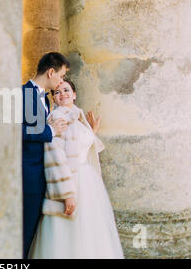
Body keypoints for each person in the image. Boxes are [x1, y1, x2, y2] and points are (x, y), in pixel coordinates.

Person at [28, 78, 124, 259]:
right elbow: (56, 158)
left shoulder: (77, 117)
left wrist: (91, 132)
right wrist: (67, 194)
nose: (62, 94)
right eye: (57, 92)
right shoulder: (58, 118)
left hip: (87, 181)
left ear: (74, 94)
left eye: (66, 90)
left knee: (89, 232)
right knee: (68, 233)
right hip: (71, 180)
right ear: (54, 99)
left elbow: (79, 146)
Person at [22, 52, 69, 259]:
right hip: (27, 176)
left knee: (33, 235)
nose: (61, 81)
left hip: (43, 176)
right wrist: (50, 132)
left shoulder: (46, 100)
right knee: (22, 235)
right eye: (60, 76)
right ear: (51, 72)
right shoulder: (22, 93)